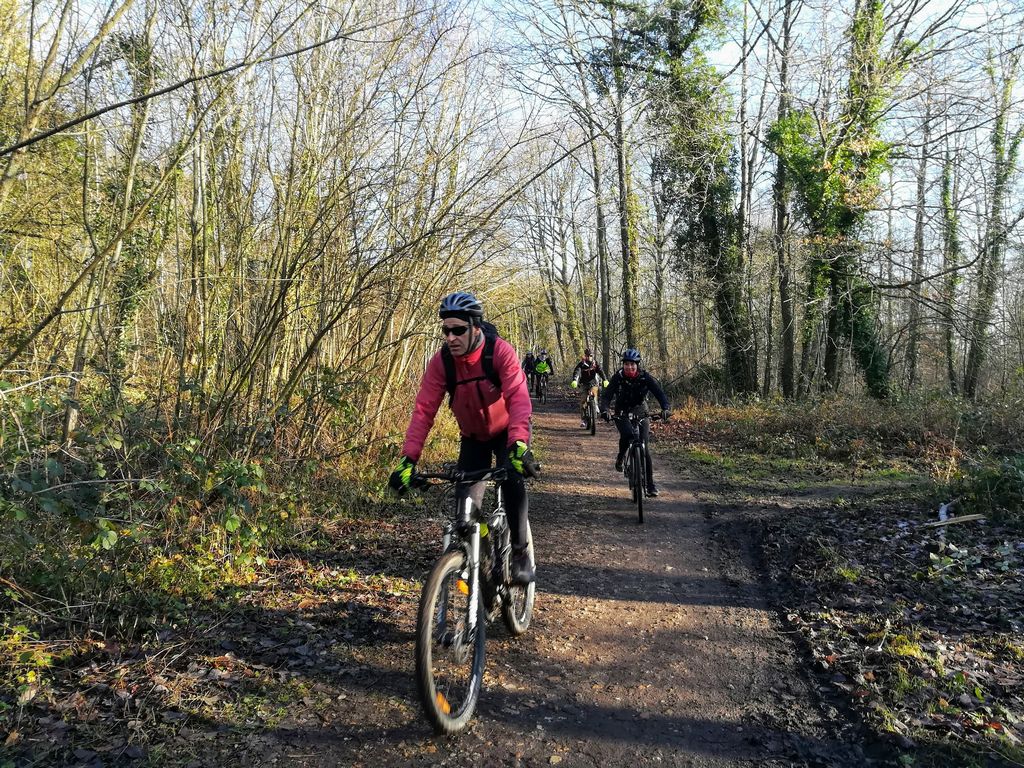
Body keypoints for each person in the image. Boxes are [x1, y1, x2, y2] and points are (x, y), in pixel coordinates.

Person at [388, 291, 540, 583]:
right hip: (473, 437)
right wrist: (408, 459)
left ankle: (520, 552)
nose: (450, 337)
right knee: (465, 517)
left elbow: (519, 398)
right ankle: (481, 562)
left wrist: (519, 444)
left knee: (512, 479)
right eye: (446, 331)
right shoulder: (442, 363)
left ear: (475, 328)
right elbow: (423, 412)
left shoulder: (499, 352)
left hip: (508, 433)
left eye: (458, 330)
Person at [600, 349, 670, 497]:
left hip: (641, 411)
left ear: (637, 365)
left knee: (645, 448)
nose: (629, 367)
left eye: (632, 364)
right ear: (623, 365)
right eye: (626, 364)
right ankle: (620, 457)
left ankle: (650, 486)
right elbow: (606, 396)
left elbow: (659, 393)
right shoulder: (618, 377)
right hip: (622, 411)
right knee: (627, 435)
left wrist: (665, 408)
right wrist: (605, 410)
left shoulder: (645, 377)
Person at [570, 348, 608, 428]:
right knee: (583, 401)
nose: (589, 357)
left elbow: (600, 371)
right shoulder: (581, 364)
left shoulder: (595, 364)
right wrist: (575, 380)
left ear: (592, 356)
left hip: (593, 383)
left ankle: (595, 405)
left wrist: (605, 379)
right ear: (585, 356)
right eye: (587, 355)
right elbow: (577, 371)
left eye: (590, 355)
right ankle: (583, 419)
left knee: (595, 394)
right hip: (584, 384)